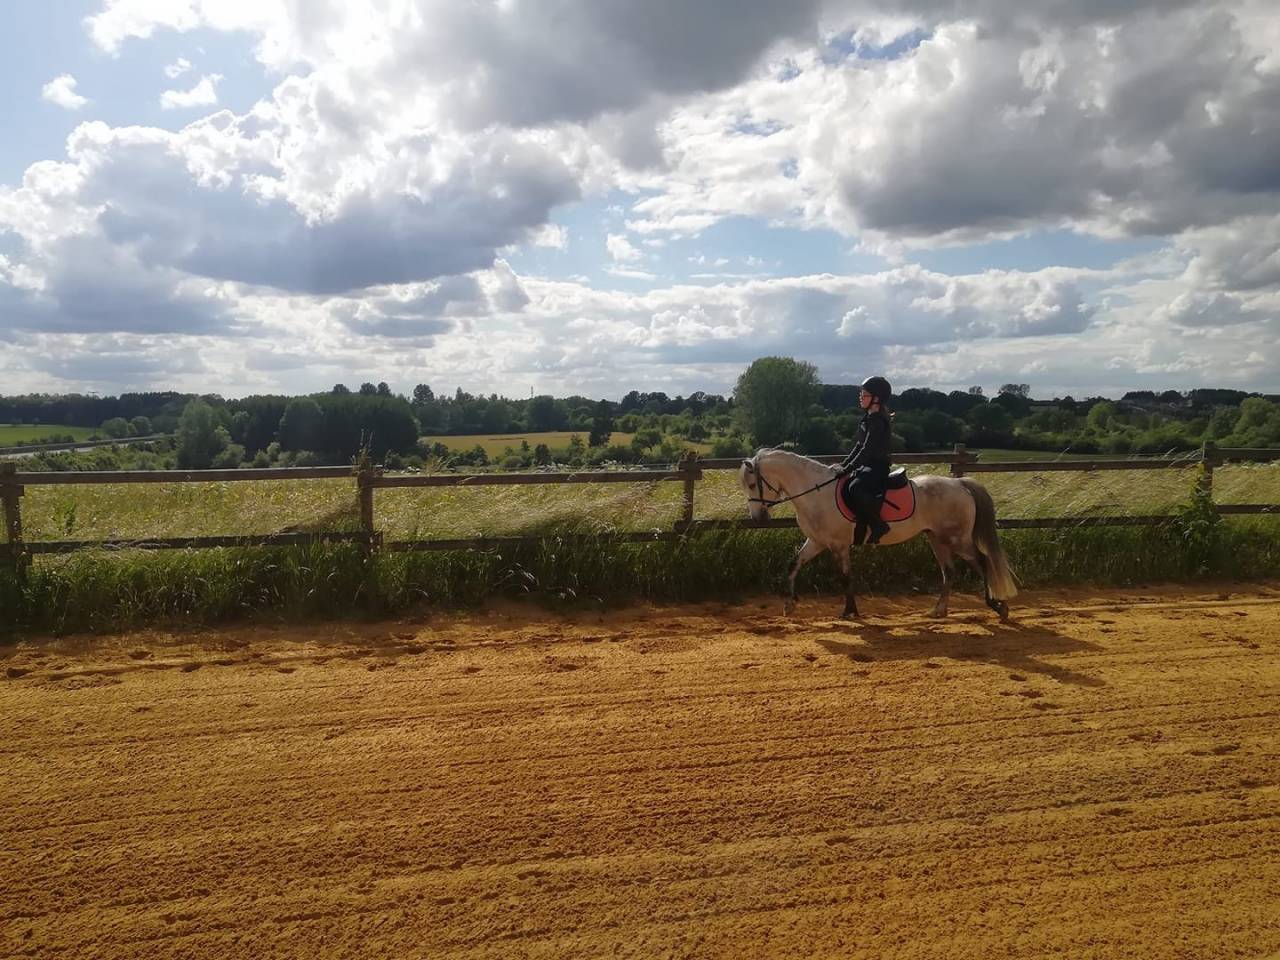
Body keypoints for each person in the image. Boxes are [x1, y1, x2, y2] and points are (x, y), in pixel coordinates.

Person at [839, 375, 894, 544]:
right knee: (846, 485)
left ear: (876, 398)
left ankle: (878, 525)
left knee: (856, 487)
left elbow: (867, 450)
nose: (861, 398)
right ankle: (860, 523)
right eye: (860, 394)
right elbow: (858, 446)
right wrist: (844, 466)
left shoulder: (877, 421)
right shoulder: (868, 419)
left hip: (877, 467)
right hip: (868, 465)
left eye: (864, 395)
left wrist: (848, 470)